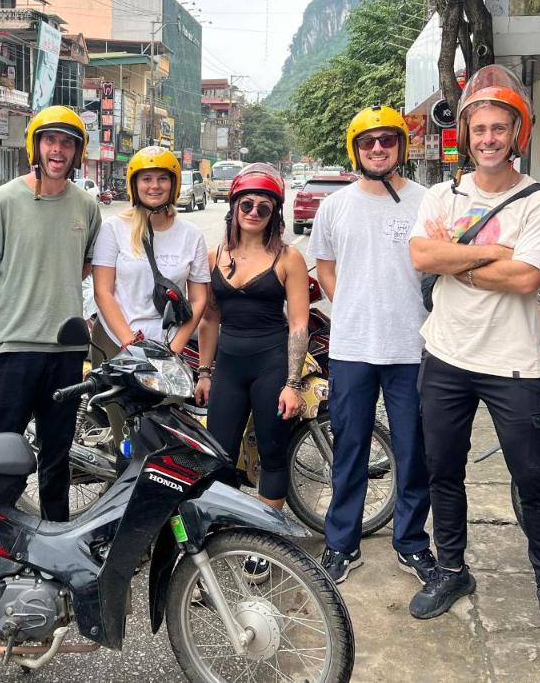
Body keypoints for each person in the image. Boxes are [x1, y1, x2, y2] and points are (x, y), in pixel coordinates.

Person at [408, 65, 540, 643]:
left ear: (517, 134)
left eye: (498, 129)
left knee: (533, 478)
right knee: (442, 472)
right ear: (467, 133)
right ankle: (452, 569)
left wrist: (457, 255)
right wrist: (492, 254)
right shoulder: (441, 194)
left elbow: (528, 278)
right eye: (478, 128)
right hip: (446, 356)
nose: (487, 139)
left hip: (512, 364)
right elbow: (421, 258)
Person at [309, 106, 435, 585]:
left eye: (386, 140)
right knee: (350, 449)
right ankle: (342, 543)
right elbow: (325, 267)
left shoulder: (427, 201)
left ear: (401, 146)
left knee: (412, 450)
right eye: (368, 142)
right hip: (352, 347)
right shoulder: (335, 206)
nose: (378, 148)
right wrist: (353, 304)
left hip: (412, 346)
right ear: (355, 149)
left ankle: (412, 542)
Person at [0, 106, 102, 522]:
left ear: (77, 152)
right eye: (50, 141)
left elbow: (82, 265)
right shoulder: (4, 201)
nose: (58, 150)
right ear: (36, 146)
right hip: (12, 348)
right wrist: (0, 310)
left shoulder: (87, 206)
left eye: (67, 143)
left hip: (65, 351)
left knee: (57, 455)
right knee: (1, 453)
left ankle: (55, 543)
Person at [195, 163, 310, 518]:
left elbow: (299, 324)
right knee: (220, 454)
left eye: (264, 206)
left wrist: (292, 383)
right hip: (229, 366)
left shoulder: (288, 258)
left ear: (275, 213)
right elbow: (209, 318)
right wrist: (204, 372)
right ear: (234, 207)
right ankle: (229, 530)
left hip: (272, 365)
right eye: (247, 204)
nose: (254, 212)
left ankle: (266, 534)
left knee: (273, 452)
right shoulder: (215, 256)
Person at [92, 147, 210, 361]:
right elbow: (102, 292)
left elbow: (199, 299)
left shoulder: (191, 235)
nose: (155, 186)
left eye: (163, 179)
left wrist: (174, 348)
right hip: (116, 340)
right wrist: (130, 343)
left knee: (172, 396)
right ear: (135, 184)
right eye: (146, 178)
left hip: (167, 345)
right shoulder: (113, 229)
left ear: (173, 184)